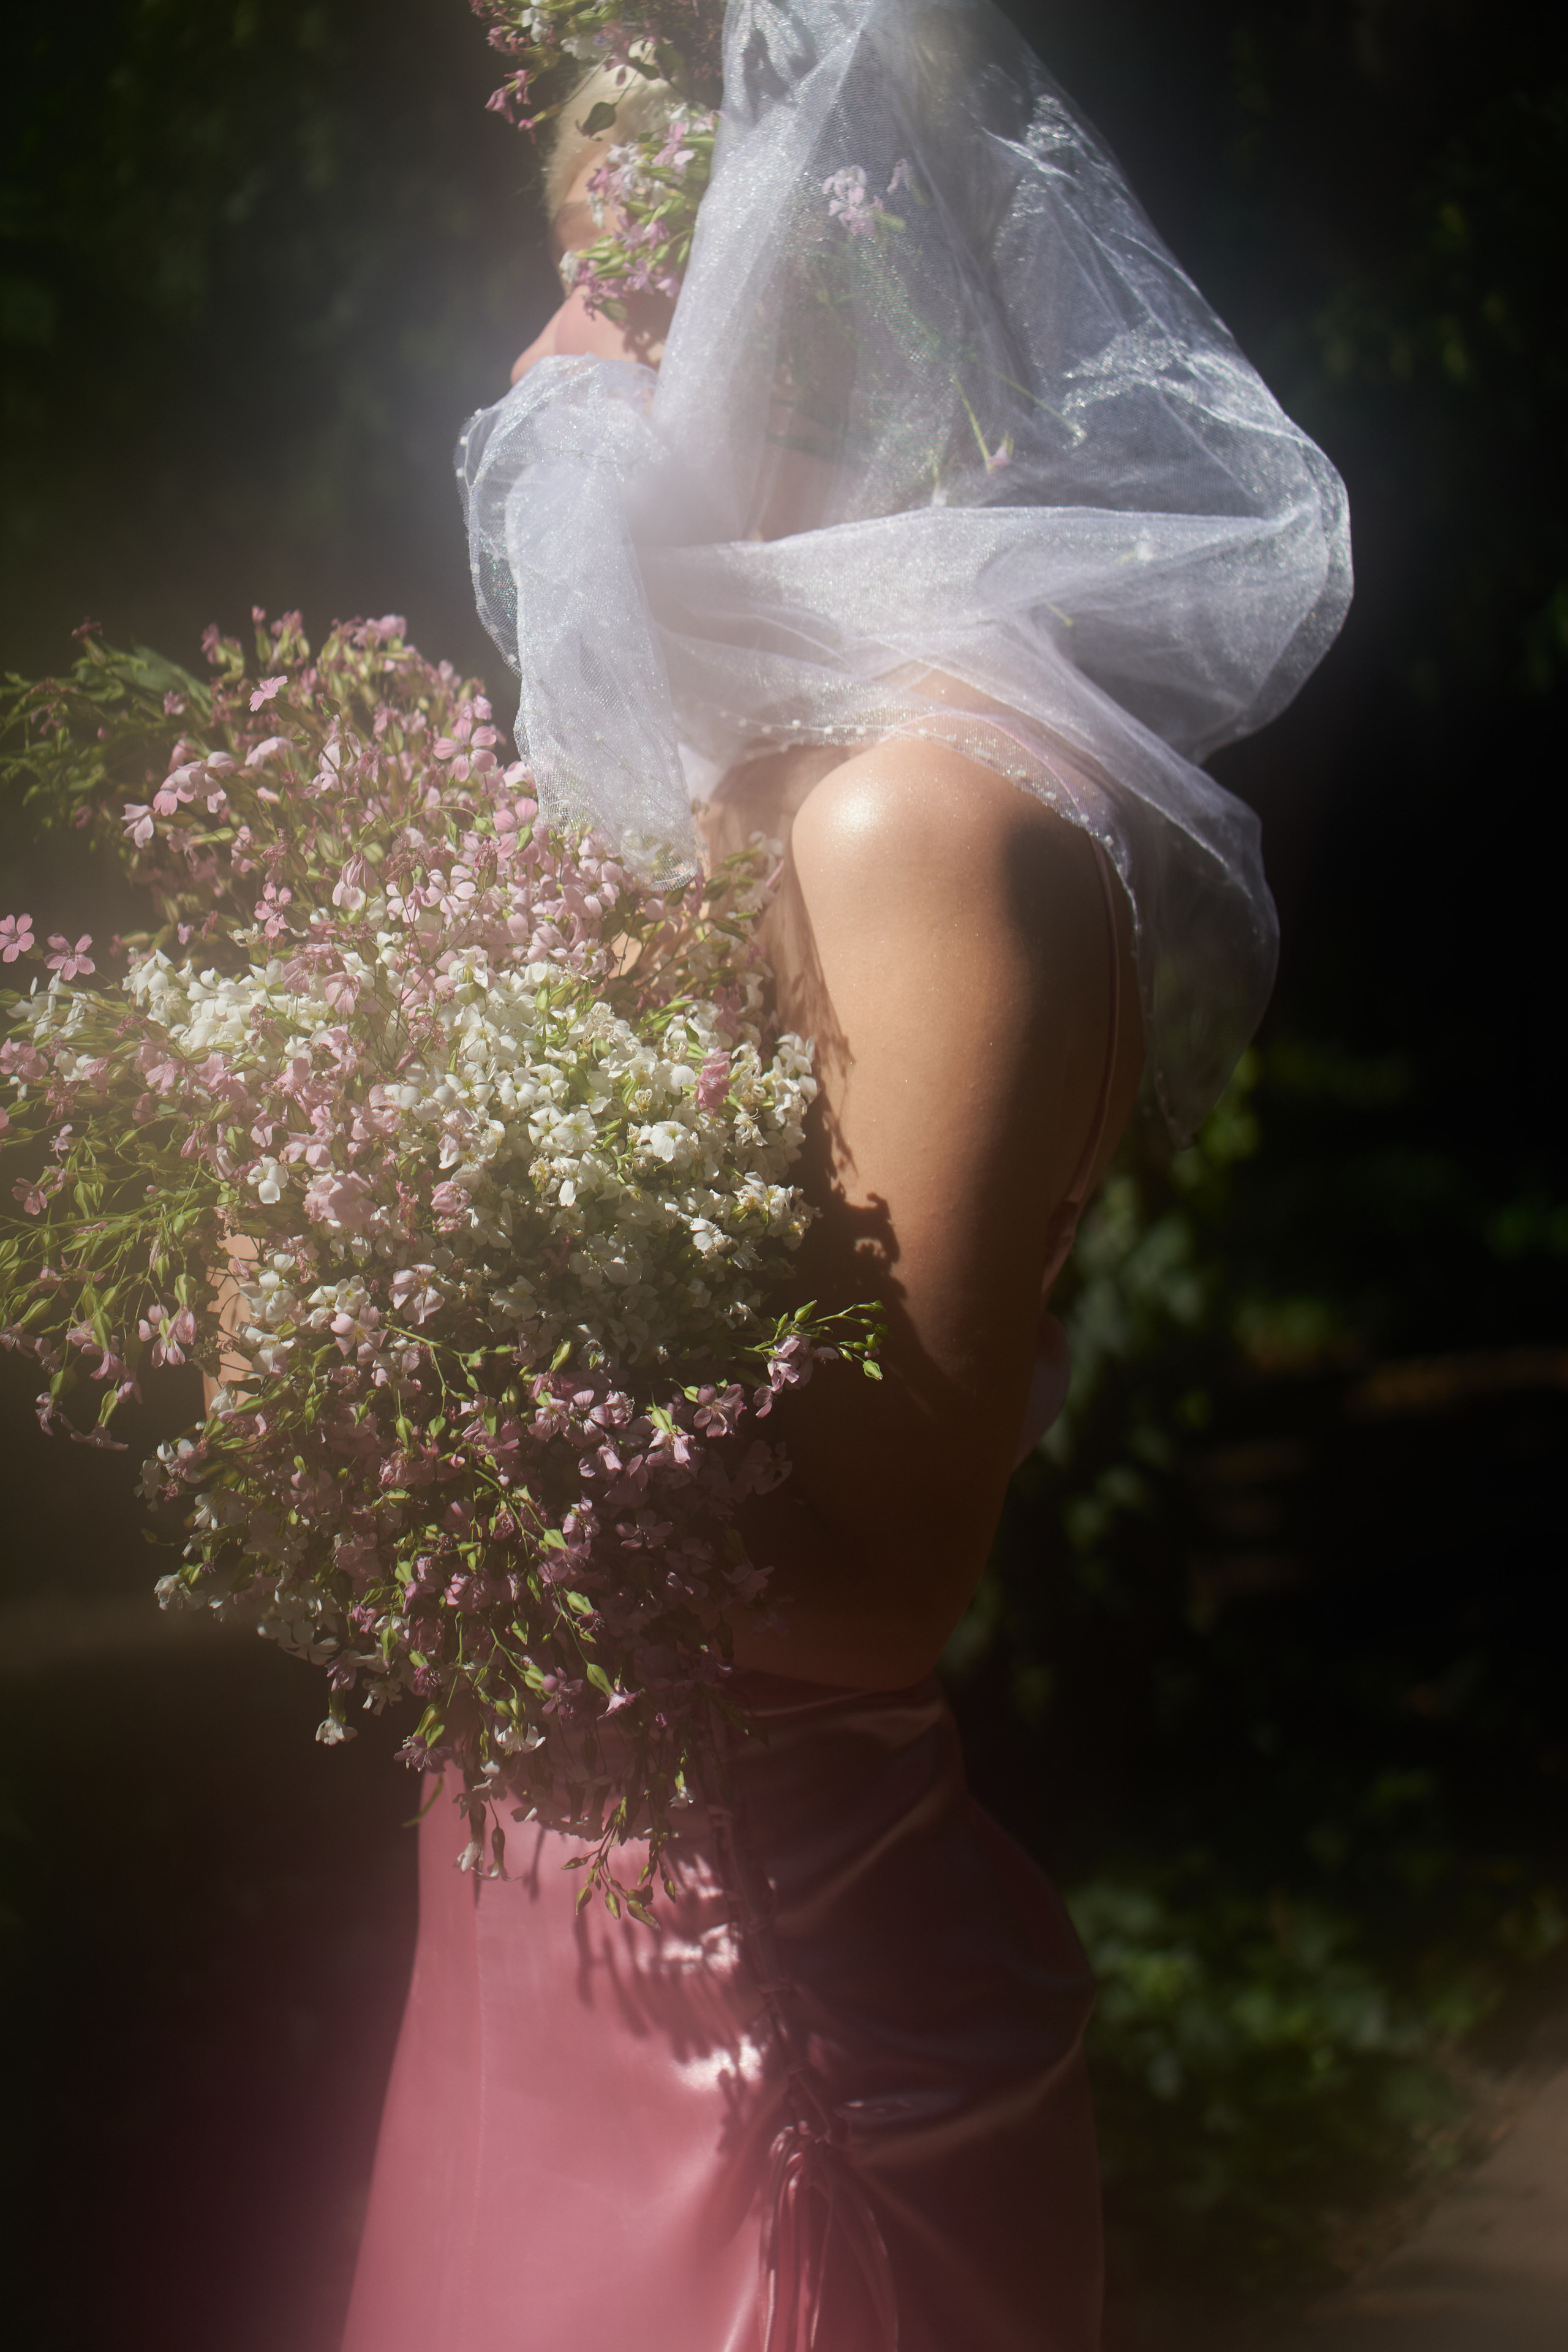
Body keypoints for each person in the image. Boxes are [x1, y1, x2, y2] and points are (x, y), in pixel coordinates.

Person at [340, 6, 1349, 2346]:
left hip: (743, 2009)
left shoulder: (920, 823)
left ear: (820, 308)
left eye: (625, 304)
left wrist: (379, 1416)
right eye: (566, 288)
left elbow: (869, 1594)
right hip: (546, 1932)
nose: (551, 369)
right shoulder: (740, 806)